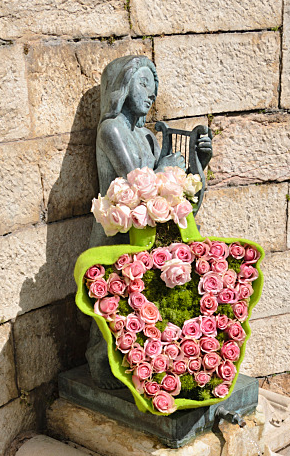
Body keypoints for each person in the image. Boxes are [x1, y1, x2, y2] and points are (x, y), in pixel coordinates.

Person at [85, 55, 212, 386]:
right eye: (143, 84)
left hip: (144, 233)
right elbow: (134, 182)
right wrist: (165, 167)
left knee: (139, 304)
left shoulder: (148, 137)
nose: (150, 94)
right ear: (123, 88)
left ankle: (137, 366)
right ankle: (102, 367)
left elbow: (167, 192)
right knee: (112, 300)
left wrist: (198, 163)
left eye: (153, 89)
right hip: (114, 232)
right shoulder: (111, 130)